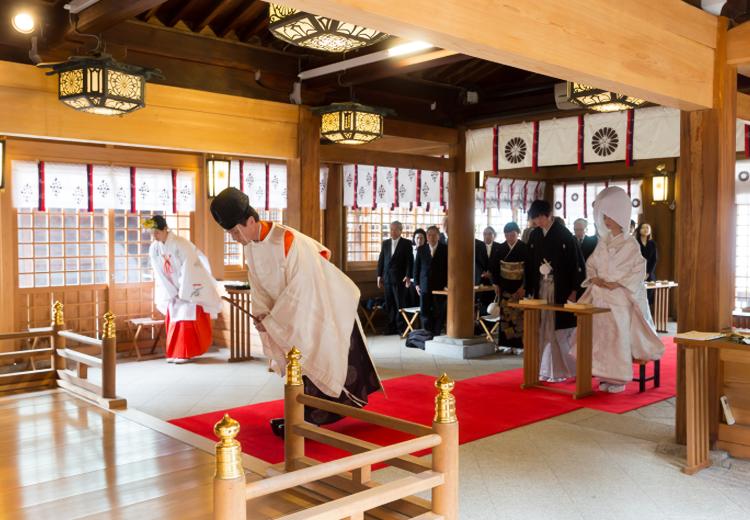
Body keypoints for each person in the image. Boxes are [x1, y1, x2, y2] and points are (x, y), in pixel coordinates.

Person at [210, 188, 382, 436]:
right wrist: (262, 315)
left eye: (236, 231)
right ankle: (301, 415)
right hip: (286, 316)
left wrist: (274, 319)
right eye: (230, 234)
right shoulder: (250, 247)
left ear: (250, 221)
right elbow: (259, 287)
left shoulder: (287, 241)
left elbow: (302, 290)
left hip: (318, 309)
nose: (235, 237)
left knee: (316, 358)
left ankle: (311, 417)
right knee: (296, 363)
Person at [578, 187, 664, 393]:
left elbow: (639, 269)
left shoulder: (631, 244)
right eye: (605, 217)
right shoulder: (603, 243)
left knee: (618, 337)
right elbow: (591, 264)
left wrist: (619, 283)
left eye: (610, 216)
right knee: (601, 337)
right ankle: (603, 374)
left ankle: (619, 378)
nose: (607, 221)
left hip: (619, 298)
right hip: (601, 297)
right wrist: (595, 278)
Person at [145, 215, 223, 364]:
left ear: (165, 229)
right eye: (152, 233)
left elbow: (189, 267)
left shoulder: (181, 244)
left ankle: (186, 353)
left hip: (188, 286)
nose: (154, 236)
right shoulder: (154, 248)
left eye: (157, 232)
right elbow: (159, 272)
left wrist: (183, 290)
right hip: (172, 288)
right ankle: (175, 352)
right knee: (174, 320)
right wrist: (171, 291)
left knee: (186, 320)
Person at [524, 200, 586, 382]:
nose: (537, 222)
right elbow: (530, 262)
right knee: (542, 328)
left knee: (558, 331)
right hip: (541, 288)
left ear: (548, 214)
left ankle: (567, 370)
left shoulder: (564, 235)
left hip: (559, 288)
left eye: (539, 217)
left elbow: (576, 264)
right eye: (535, 219)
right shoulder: (535, 235)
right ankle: (545, 370)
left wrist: (574, 289)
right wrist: (529, 288)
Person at [491, 222, 528, 355]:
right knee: (505, 316)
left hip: (520, 287)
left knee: (519, 316)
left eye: (512, 234)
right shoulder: (500, 249)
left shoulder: (525, 248)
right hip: (504, 286)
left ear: (518, 234)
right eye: (507, 235)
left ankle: (519, 345)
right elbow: (494, 268)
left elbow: (529, 270)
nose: (510, 237)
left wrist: (524, 287)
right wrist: (495, 283)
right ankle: (505, 344)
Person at [377, 221, 413, 335]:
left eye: (395, 229)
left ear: (400, 230)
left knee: (399, 304)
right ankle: (391, 327)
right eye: (391, 229)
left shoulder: (406, 243)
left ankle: (401, 328)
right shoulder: (386, 243)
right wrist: (379, 276)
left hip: (399, 278)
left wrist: (408, 276)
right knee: (389, 304)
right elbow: (381, 260)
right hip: (387, 278)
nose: (392, 231)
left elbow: (409, 261)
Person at [413, 226, 448, 336]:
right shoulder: (421, 249)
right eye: (429, 235)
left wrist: (447, 284)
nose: (431, 237)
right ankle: (427, 333)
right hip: (424, 285)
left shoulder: (445, 249)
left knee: (439, 311)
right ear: (427, 237)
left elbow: (449, 268)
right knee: (425, 311)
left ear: (438, 236)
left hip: (440, 286)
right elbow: (416, 268)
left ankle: (436, 333)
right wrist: (417, 284)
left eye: (434, 235)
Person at [474, 226, 501, 315]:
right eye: (485, 234)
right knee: (482, 306)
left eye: (489, 234)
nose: (487, 236)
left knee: (493, 305)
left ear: (494, 236)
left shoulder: (499, 247)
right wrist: (482, 273)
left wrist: (491, 274)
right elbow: (476, 263)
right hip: (481, 280)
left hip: (494, 281)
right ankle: (481, 326)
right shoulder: (478, 247)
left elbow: (500, 264)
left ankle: (492, 325)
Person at [635, 222, 658, 310]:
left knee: (648, 296)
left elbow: (654, 260)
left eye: (647, 228)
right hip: (637, 271)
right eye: (643, 228)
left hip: (649, 272)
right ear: (639, 230)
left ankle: (646, 314)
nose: (645, 229)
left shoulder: (652, 243)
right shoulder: (635, 243)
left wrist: (648, 273)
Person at [406, 229, 427, 307]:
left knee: (422, 303)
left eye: (422, 238)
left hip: (423, 281)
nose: (419, 240)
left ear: (425, 239)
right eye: (417, 238)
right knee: (412, 303)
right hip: (411, 281)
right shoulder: (410, 250)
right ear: (414, 239)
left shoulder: (428, 250)